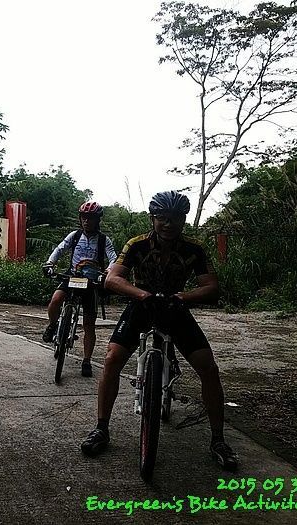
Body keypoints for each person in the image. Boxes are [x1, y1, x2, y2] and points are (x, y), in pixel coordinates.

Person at [80, 190, 238, 470]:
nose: (168, 224)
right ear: (152, 219)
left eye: (175, 218)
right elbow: (113, 279)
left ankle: (218, 439)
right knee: (112, 359)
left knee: (208, 367)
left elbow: (211, 286)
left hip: (176, 307)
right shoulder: (136, 244)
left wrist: (183, 297)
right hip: (142, 305)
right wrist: (142, 295)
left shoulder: (194, 249)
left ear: (183, 220)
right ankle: (101, 428)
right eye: (162, 218)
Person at [41, 201, 117, 377]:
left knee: (89, 324)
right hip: (72, 276)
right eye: (84, 217)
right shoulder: (75, 236)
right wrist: (50, 263)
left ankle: (87, 360)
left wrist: (108, 271)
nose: (86, 221)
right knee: (55, 300)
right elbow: (60, 249)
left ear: (97, 220)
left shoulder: (104, 240)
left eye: (90, 218)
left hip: (91, 281)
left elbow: (113, 258)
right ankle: (52, 326)